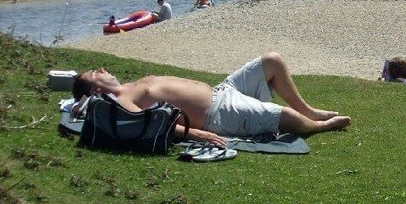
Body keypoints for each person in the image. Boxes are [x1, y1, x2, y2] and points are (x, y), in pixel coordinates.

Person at [71, 54, 351, 145]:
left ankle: (311, 112)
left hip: (222, 90)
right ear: (95, 91)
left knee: (272, 61)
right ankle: (322, 126)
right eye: (96, 73)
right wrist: (200, 135)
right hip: (218, 113)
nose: (103, 69)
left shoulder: (130, 87)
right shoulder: (122, 104)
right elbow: (153, 127)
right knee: (283, 118)